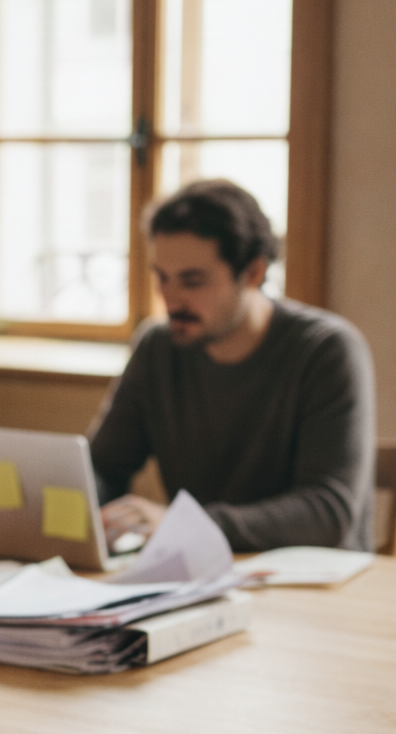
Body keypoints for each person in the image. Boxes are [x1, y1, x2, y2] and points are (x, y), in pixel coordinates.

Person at [89, 180, 376, 553]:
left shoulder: (326, 351)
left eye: (193, 281)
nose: (171, 299)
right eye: (162, 277)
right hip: (200, 575)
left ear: (253, 273)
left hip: (315, 589)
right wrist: (74, 505)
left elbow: (328, 514)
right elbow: (105, 467)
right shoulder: (158, 347)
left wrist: (186, 525)